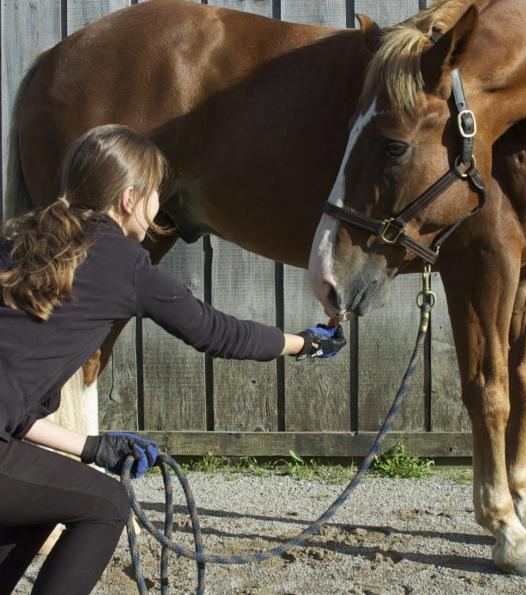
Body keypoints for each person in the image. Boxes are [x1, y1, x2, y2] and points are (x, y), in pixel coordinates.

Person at [0, 124, 346, 594]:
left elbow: (10, 410)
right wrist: (303, 343)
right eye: (156, 194)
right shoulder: (123, 263)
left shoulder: (20, 241)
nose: (159, 206)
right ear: (129, 198)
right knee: (105, 505)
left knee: (54, 498)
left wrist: (93, 448)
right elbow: (216, 332)